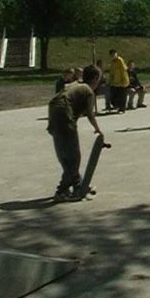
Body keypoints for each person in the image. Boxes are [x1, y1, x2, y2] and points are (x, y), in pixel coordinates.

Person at [47, 64, 103, 201]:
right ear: (96, 78)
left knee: (66, 157)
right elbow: (90, 114)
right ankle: (62, 191)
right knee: (73, 158)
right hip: (64, 115)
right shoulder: (88, 90)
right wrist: (98, 129)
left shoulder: (75, 84)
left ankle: (78, 185)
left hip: (53, 113)